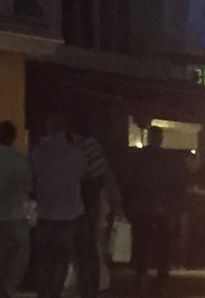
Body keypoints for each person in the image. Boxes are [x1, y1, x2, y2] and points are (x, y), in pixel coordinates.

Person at [31, 113, 86, 298]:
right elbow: (82, 175)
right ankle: (55, 292)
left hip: (46, 210)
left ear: (49, 128)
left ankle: (42, 292)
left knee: (43, 257)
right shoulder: (77, 153)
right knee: (62, 257)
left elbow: (34, 175)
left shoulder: (40, 152)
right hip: (70, 210)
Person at [126, 126, 185, 292]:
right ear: (161, 139)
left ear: (148, 138)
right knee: (163, 243)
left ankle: (141, 274)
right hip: (163, 207)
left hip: (142, 206)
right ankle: (162, 277)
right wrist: (176, 208)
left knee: (141, 241)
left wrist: (129, 204)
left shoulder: (138, 157)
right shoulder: (170, 159)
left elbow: (129, 182)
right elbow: (178, 185)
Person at [0, 120, 32, 298]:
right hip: (16, 214)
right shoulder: (21, 160)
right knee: (19, 255)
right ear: (14, 137)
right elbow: (28, 187)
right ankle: (9, 286)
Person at [70, 114, 115, 298]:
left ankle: (84, 286)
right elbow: (103, 174)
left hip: (81, 201)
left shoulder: (76, 148)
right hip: (94, 201)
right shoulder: (95, 147)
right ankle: (92, 287)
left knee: (81, 247)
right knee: (91, 246)